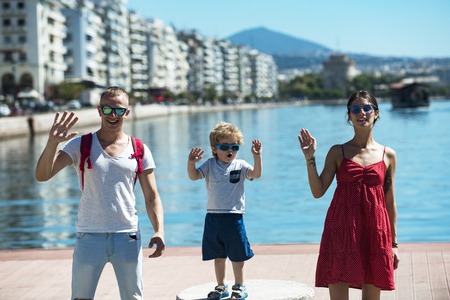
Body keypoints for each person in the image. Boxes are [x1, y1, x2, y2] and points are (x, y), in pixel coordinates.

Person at [35, 86, 165, 300]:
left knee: (133, 298)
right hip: (89, 236)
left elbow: (152, 197)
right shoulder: (80, 145)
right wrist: (52, 144)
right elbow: (43, 175)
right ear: (99, 110)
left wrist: (159, 230)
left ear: (127, 113)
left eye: (119, 110)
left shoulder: (139, 149)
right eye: (107, 109)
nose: (113, 115)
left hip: (127, 236)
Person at [298, 90, 399, 300]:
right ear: (349, 115)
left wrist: (394, 244)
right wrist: (310, 158)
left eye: (366, 107)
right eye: (355, 109)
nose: (361, 112)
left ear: (376, 113)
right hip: (342, 230)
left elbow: (389, 201)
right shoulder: (338, 152)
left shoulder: (387, 154)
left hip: (375, 232)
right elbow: (318, 191)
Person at [187, 121, 262, 300]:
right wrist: (191, 162)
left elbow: (256, 174)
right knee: (218, 254)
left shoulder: (241, 165)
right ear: (214, 149)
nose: (230, 151)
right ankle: (221, 286)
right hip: (213, 216)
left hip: (234, 217)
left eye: (235, 147)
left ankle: (240, 285)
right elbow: (194, 176)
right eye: (225, 147)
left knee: (237, 254)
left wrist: (257, 157)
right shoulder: (210, 165)